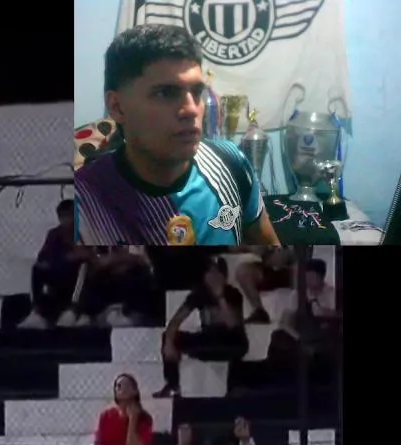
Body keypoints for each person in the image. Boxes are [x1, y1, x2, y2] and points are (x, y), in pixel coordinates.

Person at [74, 25, 281, 247]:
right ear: (117, 107)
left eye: (197, 92)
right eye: (166, 93)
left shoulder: (231, 162)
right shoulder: (82, 203)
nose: (191, 110)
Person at [155, 257, 248, 398]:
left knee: (236, 339)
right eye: (209, 272)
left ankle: (235, 387)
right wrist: (169, 341)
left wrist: (220, 297)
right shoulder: (199, 294)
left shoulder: (233, 294)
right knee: (169, 336)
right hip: (209, 340)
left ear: (223, 276)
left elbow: (232, 324)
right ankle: (172, 385)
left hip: (230, 342)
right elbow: (176, 320)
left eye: (216, 273)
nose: (212, 277)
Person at [19, 199, 88, 329]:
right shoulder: (54, 234)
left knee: (84, 267)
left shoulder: (83, 234)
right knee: (37, 269)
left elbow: (88, 255)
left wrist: (77, 255)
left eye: (71, 216)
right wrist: (66, 258)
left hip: (76, 278)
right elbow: (45, 257)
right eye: (64, 217)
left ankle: (73, 310)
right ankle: (37, 312)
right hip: (59, 273)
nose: (68, 220)